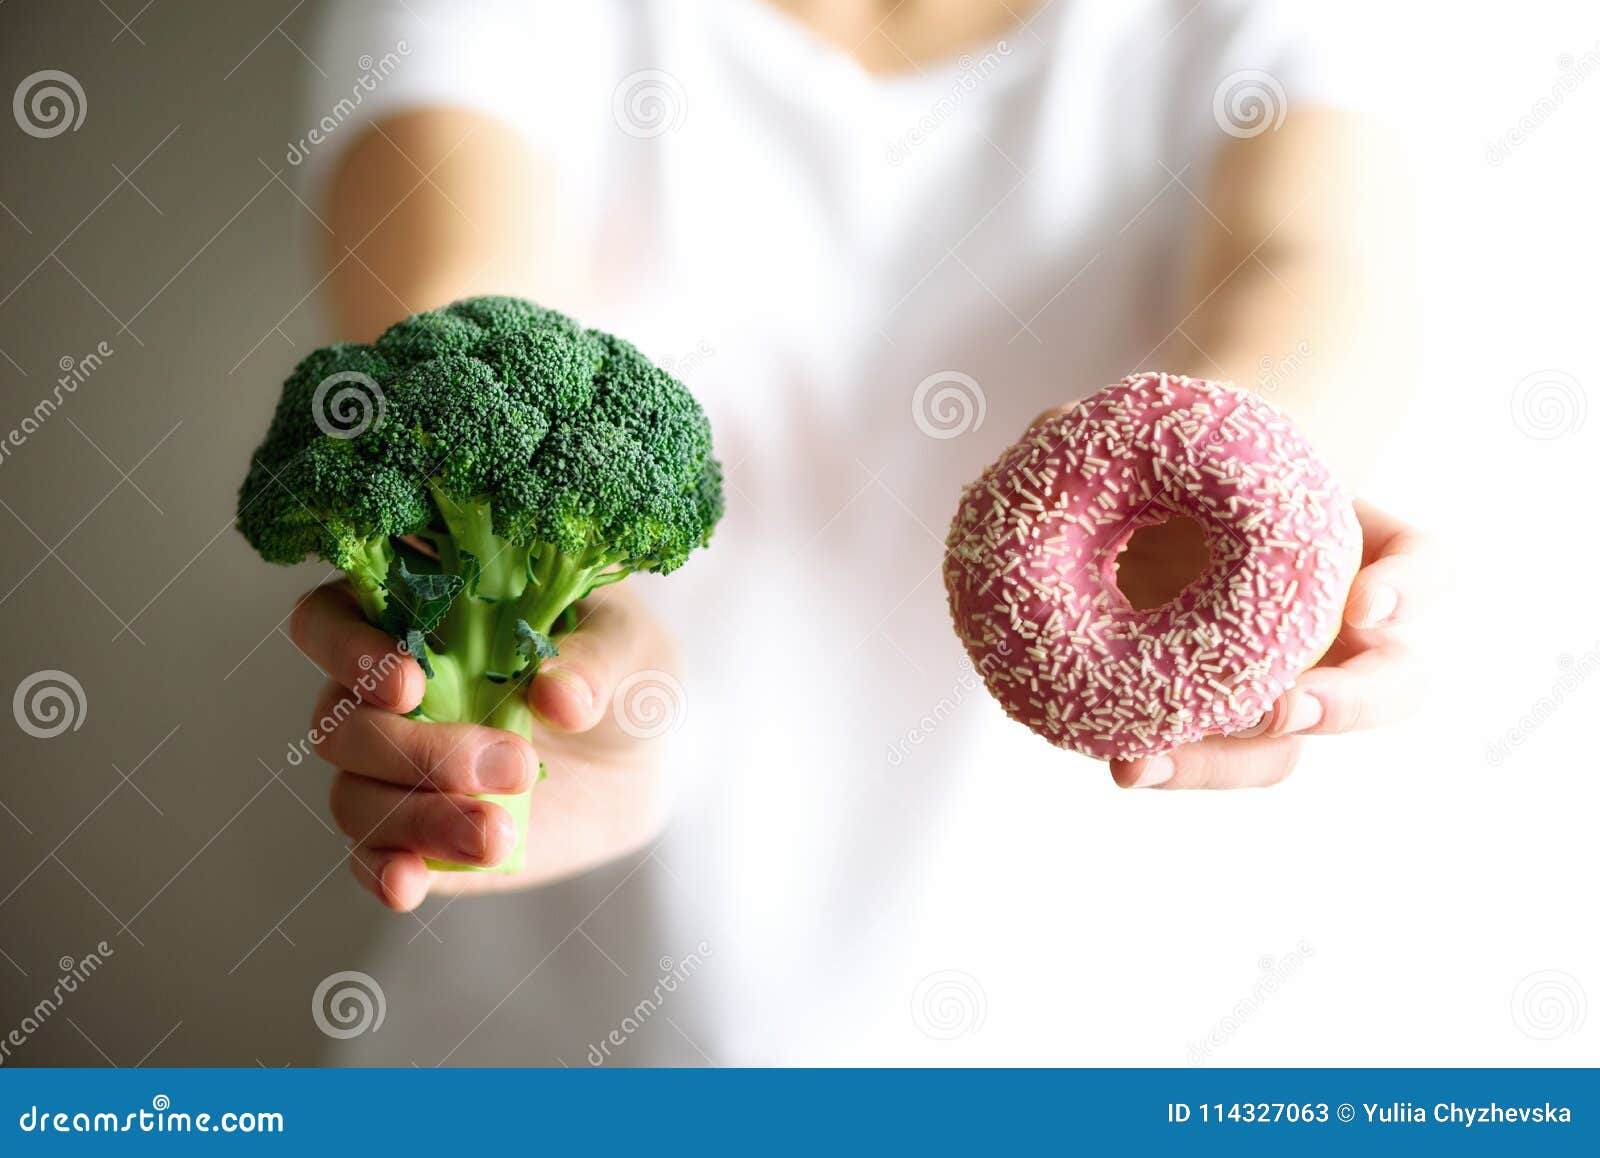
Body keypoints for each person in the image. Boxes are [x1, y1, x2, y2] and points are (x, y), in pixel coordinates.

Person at [288, 0, 1434, 1062]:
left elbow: (1312, 265)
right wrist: (562, 661)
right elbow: (461, 328)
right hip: (547, 1060)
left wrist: (1256, 503)